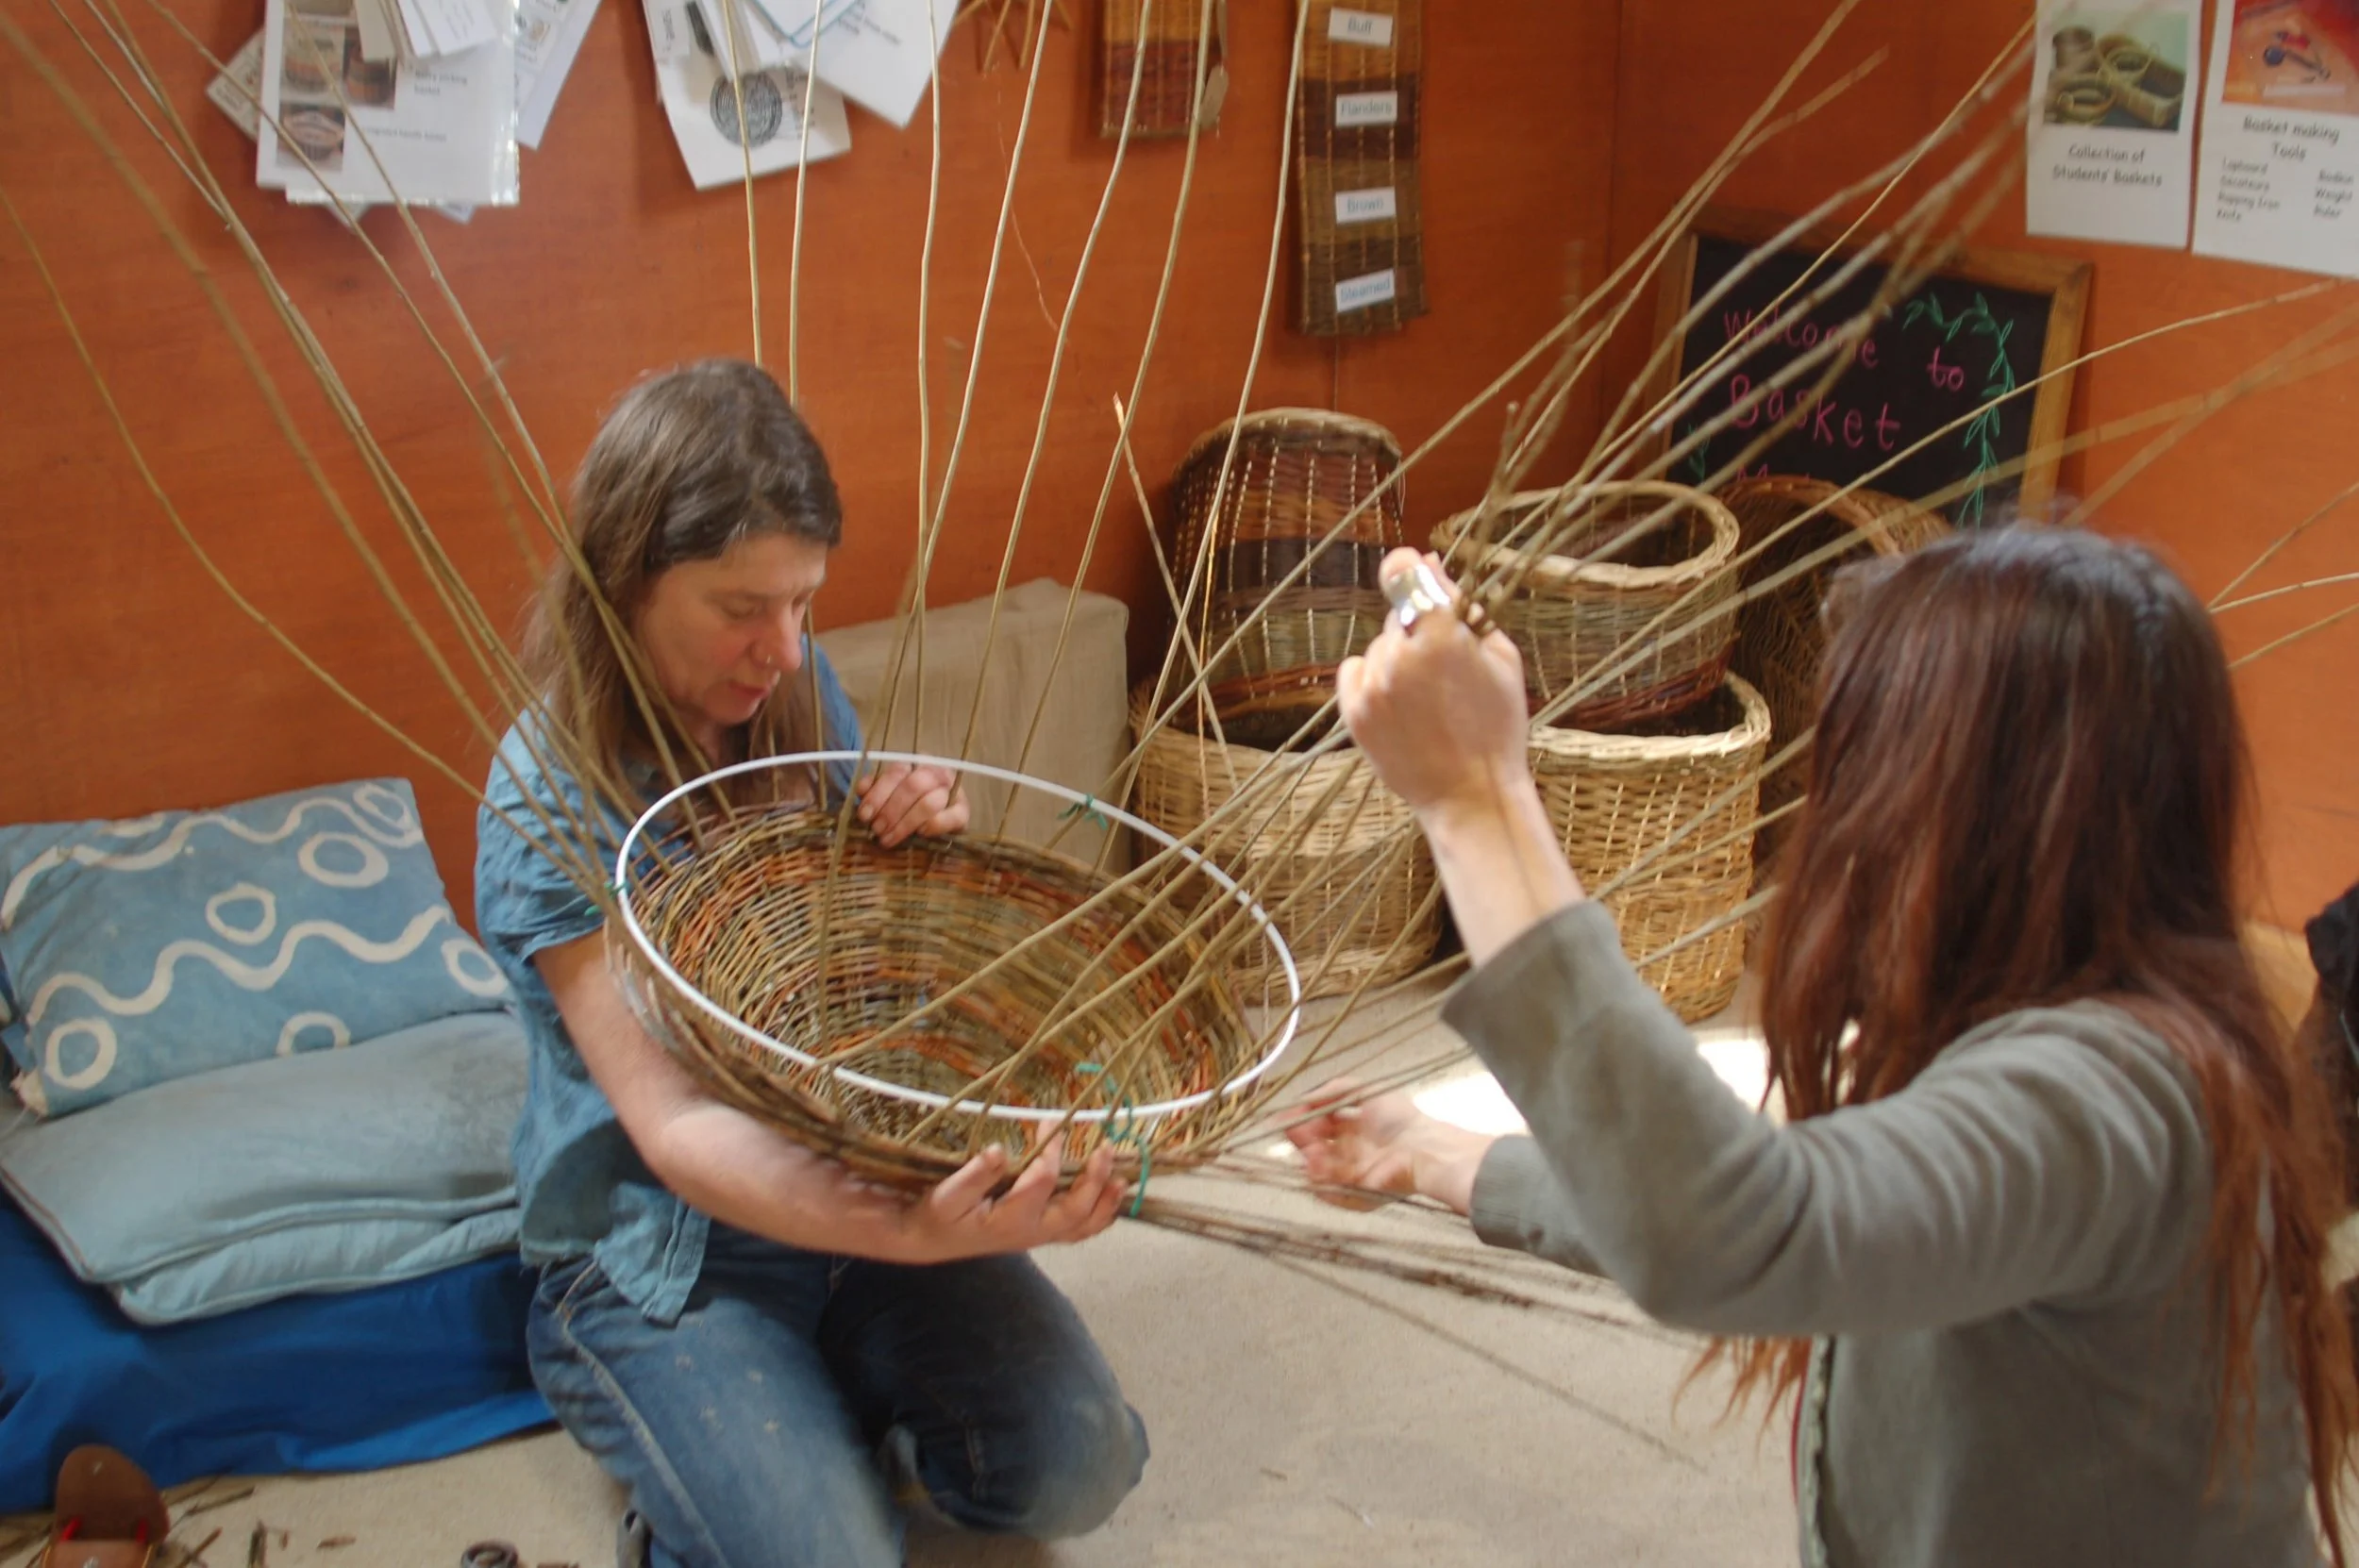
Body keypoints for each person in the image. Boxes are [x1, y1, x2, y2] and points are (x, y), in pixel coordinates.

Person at [1290, 529, 2359, 1566]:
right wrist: (1430, 1156)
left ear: (1992, 808)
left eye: (1864, 759)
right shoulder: (1978, 1034)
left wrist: (1476, 799)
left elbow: (1723, 1231)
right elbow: (1726, 1182)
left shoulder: (2112, 1087)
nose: (1836, 817)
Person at [473, 359, 1147, 1568]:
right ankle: (714, 1475)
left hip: (844, 1191)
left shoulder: (791, 694)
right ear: (625, 577)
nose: (780, 649)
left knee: (1083, 1460)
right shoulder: (545, 793)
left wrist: (906, 836)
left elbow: (835, 965)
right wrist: (916, 1239)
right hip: (662, 1247)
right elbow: (675, 1131)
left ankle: (826, 1419)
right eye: (742, 606)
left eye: (802, 604)